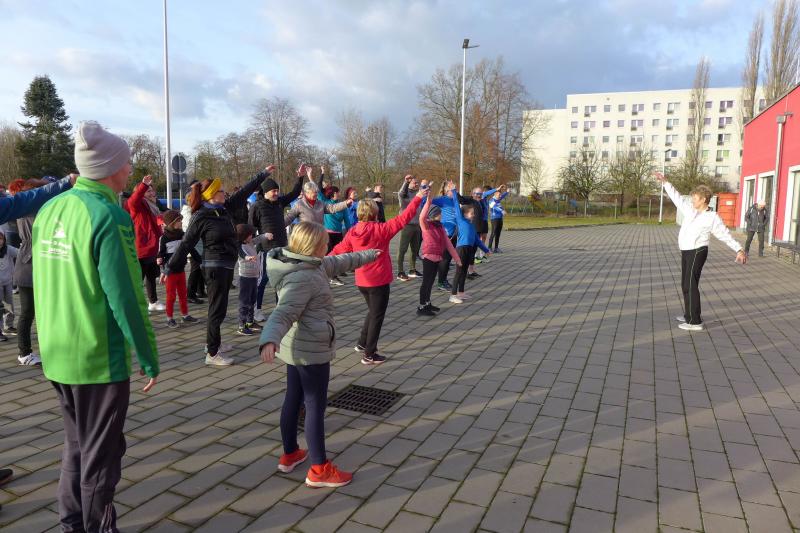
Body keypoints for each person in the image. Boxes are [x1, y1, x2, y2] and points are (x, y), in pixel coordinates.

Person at [32, 121, 159, 532]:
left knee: (76, 446)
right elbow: (127, 296)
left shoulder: (50, 208)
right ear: (110, 168)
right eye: (127, 162)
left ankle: (71, 523)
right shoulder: (109, 214)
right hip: (97, 356)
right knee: (102, 458)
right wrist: (148, 356)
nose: (130, 169)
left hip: (57, 352)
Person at [259, 222, 380, 488]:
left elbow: (341, 261)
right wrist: (269, 339)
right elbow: (283, 312)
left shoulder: (311, 264)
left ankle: (291, 454)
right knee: (314, 406)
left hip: (297, 348)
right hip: (311, 350)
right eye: (325, 242)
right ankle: (319, 469)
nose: (328, 246)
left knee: (294, 398)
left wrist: (369, 254)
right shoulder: (303, 277)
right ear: (313, 246)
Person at [166, 166, 275, 365]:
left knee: (220, 309)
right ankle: (212, 353)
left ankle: (213, 343)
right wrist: (170, 268)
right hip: (214, 268)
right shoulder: (201, 216)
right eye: (221, 191)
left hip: (226, 267)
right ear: (211, 195)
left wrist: (263, 174)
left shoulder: (223, 209)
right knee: (216, 310)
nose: (225, 193)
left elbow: (244, 191)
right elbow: (186, 244)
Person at [331, 187, 427, 364]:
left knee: (373, 311)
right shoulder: (382, 230)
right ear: (375, 214)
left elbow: (338, 250)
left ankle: (362, 343)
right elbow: (403, 218)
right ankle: (369, 354)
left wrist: (322, 262)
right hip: (378, 281)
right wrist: (418, 197)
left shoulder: (353, 232)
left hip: (362, 281)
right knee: (377, 316)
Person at [656, 173, 746, 331]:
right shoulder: (690, 210)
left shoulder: (712, 217)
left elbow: (724, 234)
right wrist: (665, 183)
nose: (692, 201)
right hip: (686, 251)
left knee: (690, 284)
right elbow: (677, 198)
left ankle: (695, 322)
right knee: (686, 284)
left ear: (704, 199)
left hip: (698, 251)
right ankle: (689, 314)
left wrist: (738, 249)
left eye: (695, 198)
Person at [249, 166, 304, 321]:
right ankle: (256, 310)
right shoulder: (256, 206)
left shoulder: (280, 202)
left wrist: (300, 177)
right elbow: (251, 228)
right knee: (263, 280)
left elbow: (294, 193)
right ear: (266, 192)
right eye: (273, 191)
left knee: (281, 279)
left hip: (282, 247)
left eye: (277, 191)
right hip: (266, 249)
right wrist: (253, 245)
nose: (276, 193)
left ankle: (279, 308)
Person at [14, 178, 51, 366]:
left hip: (36, 261)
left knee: (41, 310)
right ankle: (24, 353)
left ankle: (49, 348)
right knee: (27, 311)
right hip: (29, 263)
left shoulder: (31, 207)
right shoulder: (29, 208)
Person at [418, 185, 460, 316]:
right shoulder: (426, 226)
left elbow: (448, 245)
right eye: (439, 213)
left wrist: (457, 259)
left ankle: (428, 303)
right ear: (434, 215)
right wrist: (428, 201)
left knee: (431, 282)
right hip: (428, 258)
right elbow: (422, 217)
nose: (442, 215)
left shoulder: (440, 227)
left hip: (437, 258)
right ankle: (421, 307)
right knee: (426, 282)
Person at [447, 182, 492, 303]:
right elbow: (456, 204)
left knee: (464, 271)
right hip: (461, 249)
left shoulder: (472, 225)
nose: (473, 215)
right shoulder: (461, 220)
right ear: (465, 214)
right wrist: (454, 191)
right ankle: (453, 295)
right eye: (472, 213)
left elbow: (477, 240)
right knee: (459, 272)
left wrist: (486, 250)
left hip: (469, 250)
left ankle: (461, 292)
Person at [127, 175, 165, 311]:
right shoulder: (138, 205)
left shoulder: (154, 206)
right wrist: (143, 185)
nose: (152, 193)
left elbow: (158, 223)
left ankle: (153, 302)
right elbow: (133, 201)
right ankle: (136, 305)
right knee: (138, 280)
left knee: (151, 277)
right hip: (141, 247)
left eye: (152, 190)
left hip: (153, 247)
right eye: (148, 191)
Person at [157, 210, 200, 328]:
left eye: (181, 220)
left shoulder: (183, 235)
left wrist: (200, 261)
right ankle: (169, 318)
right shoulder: (164, 238)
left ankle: (185, 315)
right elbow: (160, 253)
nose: (181, 222)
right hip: (170, 272)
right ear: (171, 223)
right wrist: (160, 261)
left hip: (181, 270)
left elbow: (191, 249)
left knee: (183, 294)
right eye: (178, 221)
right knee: (171, 296)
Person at [236, 223, 267, 336]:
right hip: (245, 278)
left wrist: (265, 235)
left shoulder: (250, 242)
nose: (252, 236)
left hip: (254, 277)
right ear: (244, 236)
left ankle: (250, 322)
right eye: (250, 234)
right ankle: (241, 325)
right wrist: (248, 257)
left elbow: (258, 239)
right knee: (244, 301)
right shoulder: (240, 246)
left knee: (252, 300)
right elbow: (242, 254)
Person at [182, 184, 206, 305]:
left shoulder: (193, 211)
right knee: (195, 269)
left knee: (200, 268)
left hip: (199, 244)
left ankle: (200, 291)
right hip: (194, 246)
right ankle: (190, 294)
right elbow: (189, 230)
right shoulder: (188, 212)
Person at [396, 175, 423, 281]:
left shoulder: (417, 194)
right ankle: (400, 271)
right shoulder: (404, 194)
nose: (416, 184)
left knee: (415, 249)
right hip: (406, 225)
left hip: (417, 225)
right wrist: (406, 182)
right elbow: (400, 193)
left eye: (417, 183)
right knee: (402, 249)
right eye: (414, 183)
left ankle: (412, 270)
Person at [0, 231, 17, 340]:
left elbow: (20, 253)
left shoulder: (8, 249)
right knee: (0, 306)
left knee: (9, 304)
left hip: (8, 281)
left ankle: (9, 325)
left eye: (1, 238)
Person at [488, 185, 509, 253]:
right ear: (495, 194)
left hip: (500, 218)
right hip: (494, 219)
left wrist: (507, 192)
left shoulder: (498, 199)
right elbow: (494, 207)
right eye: (499, 195)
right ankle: (489, 248)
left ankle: (496, 248)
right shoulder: (491, 200)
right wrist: (502, 210)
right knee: (493, 233)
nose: (500, 196)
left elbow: (503, 196)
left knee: (498, 233)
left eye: (500, 195)